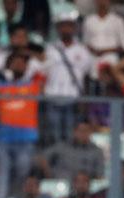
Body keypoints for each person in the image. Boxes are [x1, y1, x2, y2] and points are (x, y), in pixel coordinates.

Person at [0, 51, 43, 198]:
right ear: (9, 66)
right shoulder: (1, 88)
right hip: (3, 139)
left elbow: (44, 71)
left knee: (23, 169)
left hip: (26, 139)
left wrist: (33, 60)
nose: (19, 65)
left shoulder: (32, 86)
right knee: (2, 172)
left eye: (22, 63)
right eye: (15, 62)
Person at [44, 12, 92, 143]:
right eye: (62, 26)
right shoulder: (50, 49)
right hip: (52, 97)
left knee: (71, 136)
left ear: (74, 28)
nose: (66, 29)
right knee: (54, 136)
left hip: (73, 98)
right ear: (58, 28)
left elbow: (86, 76)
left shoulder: (83, 50)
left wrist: (84, 100)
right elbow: (44, 73)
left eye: (69, 26)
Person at [39, 122, 104, 181]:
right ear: (74, 132)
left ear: (90, 133)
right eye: (81, 131)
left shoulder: (97, 151)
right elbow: (41, 157)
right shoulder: (62, 146)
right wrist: (48, 174)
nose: (83, 134)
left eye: (86, 131)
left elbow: (100, 175)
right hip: (61, 186)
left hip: (85, 189)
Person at [83, 0, 124, 79]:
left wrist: (104, 51)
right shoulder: (88, 20)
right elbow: (85, 43)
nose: (102, 1)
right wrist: (93, 50)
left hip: (112, 63)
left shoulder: (118, 20)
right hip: (93, 62)